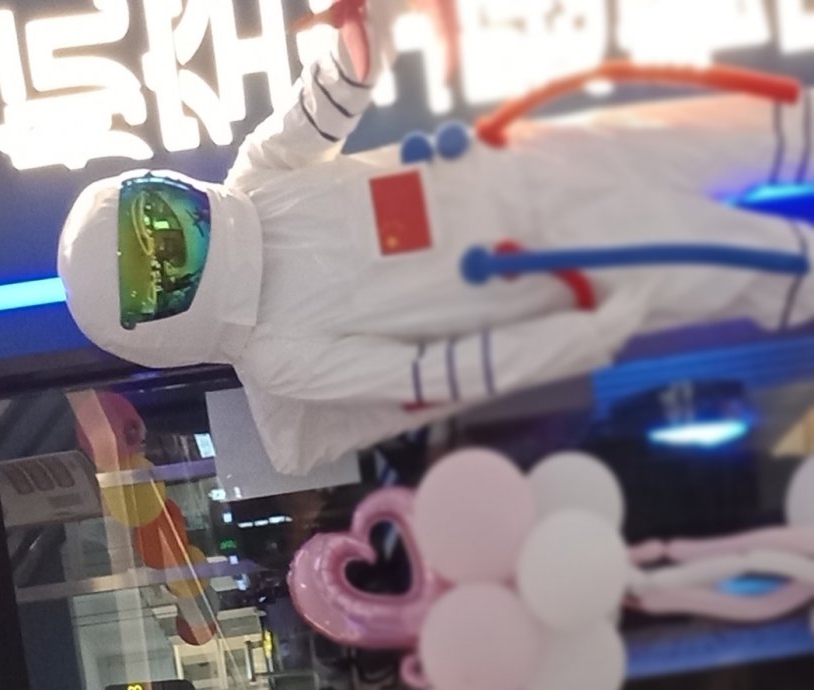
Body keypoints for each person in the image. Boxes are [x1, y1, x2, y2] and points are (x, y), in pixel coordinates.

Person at [55, 0, 814, 476]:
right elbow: (435, 374)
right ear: (159, 325)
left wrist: (361, 28)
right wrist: (580, 334)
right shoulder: (281, 357)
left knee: (708, 136)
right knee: (719, 255)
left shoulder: (256, 182)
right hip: (541, 272)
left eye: (157, 214)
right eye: (158, 259)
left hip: (523, 167)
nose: (174, 232)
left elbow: (330, 95)